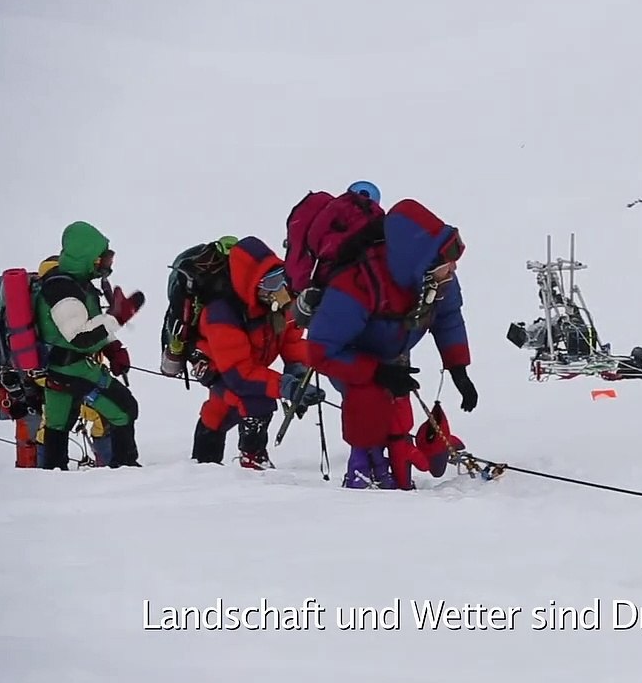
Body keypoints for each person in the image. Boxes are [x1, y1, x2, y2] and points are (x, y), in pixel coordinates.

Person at [305, 194, 477, 490]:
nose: (453, 270)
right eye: (447, 264)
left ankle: (398, 463)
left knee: (398, 407)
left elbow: (448, 318)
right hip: (350, 358)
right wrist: (376, 372)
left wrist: (458, 369)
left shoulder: (435, 279)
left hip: (393, 353)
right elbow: (320, 351)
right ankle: (363, 468)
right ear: (422, 261)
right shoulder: (357, 285)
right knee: (369, 401)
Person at [188, 236, 324, 470]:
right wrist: (287, 387)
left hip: (247, 367)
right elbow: (240, 376)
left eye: (280, 278)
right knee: (256, 399)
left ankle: (202, 464)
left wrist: (298, 372)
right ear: (251, 283)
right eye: (270, 283)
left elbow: (291, 340)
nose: (279, 289)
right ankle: (252, 459)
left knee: (220, 411)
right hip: (219, 368)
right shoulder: (222, 315)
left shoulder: (279, 303)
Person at [33, 221, 144, 470]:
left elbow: (91, 325)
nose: (107, 263)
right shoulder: (62, 289)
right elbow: (80, 337)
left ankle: (52, 475)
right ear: (88, 258)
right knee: (124, 409)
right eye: (103, 257)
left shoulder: (78, 285)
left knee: (57, 424)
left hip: (58, 368)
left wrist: (112, 348)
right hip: (71, 368)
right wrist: (118, 317)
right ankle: (125, 468)